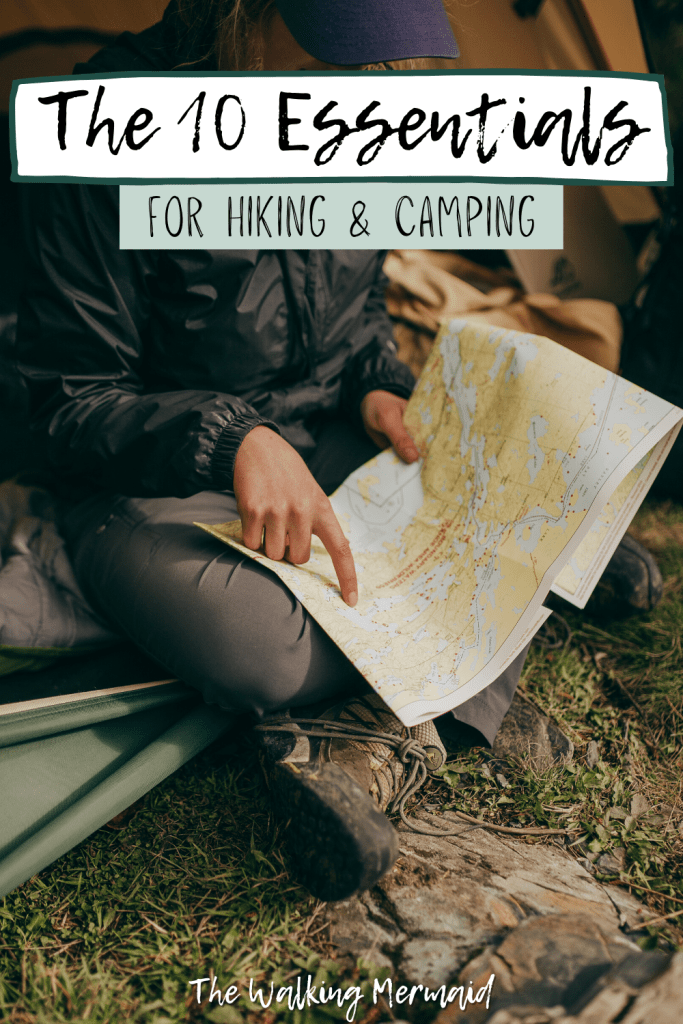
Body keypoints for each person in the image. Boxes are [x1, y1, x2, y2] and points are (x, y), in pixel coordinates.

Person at [14, 0, 655, 902]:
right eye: (338, 53)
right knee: (259, 652)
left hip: (320, 438)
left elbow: (354, 320)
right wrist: (231, 439)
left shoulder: (351, 105)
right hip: (154, 479)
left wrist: (376, 386)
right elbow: (63, 401)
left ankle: (376, 715)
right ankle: (485, 637)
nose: (361, 85)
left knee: (505, 465)